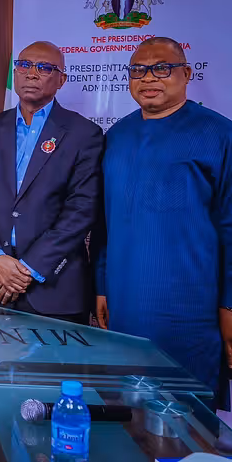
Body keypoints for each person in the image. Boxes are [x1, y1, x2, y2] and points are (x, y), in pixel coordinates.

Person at [95, 37, 232, 403]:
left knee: (187, 413)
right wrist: (102, 285)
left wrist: (229, 305)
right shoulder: (116, 137)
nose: (148, 78)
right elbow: (105, 223)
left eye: (161, 68)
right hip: (124, 302)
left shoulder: (219, 134)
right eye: (138, 70)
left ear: (186, 74)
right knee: (128, 408)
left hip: (192, 307)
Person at [0, 41, 103, 323]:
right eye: (24, 65)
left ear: (61, 80)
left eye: (44, 68)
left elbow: (81, 210)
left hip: (53, 287)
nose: (32, 73)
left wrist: (26, 270)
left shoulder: (84, 134)